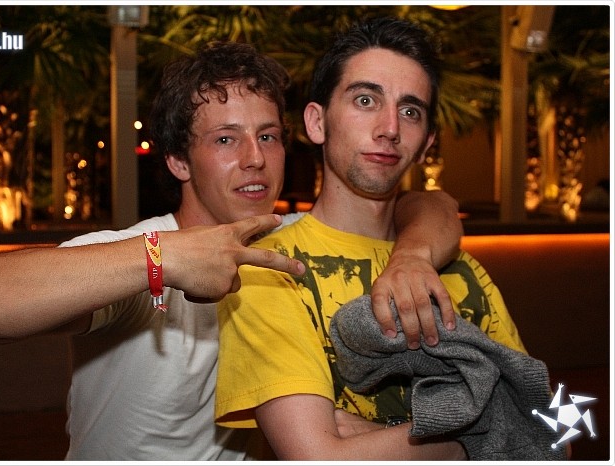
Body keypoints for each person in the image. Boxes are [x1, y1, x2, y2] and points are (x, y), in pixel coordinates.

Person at [0, 41, 462, 461]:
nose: (254, 158)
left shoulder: (295, 242)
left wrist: (412, 256)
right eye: (225, 139)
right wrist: (162, 260)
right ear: (179, 161)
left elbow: (429, 205)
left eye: (268, 136)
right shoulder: (141, 252)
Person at [214, 18, 530, 460]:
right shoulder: (268, 268)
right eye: (365, 100)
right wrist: (481, 436)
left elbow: (554, 431)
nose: (390, 128)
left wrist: (386, 438)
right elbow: (317, 459)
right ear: (317, 122)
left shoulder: (461, 267)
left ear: (426, 143)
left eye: (410, 111)